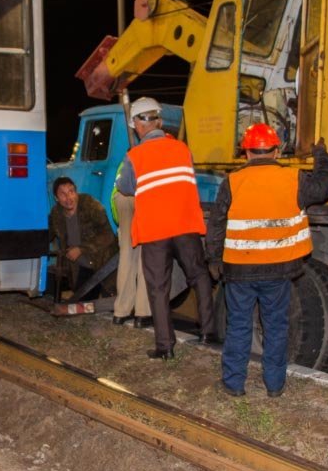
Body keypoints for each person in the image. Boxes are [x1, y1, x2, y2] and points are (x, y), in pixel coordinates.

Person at [205, 124, 328, 397]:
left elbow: (216, 223)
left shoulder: (232, 181)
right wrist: (321, 156)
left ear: (247, 153)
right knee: (276, 327)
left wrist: (214, 259)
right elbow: (323, 188)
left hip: (239, 270)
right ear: (277, 152)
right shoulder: (293, 178)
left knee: (238, 326)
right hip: (278, 269)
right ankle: (275, 386)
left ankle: (233, 384)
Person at [115, 97, 215, 359]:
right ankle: (208, 332)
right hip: (185, 225)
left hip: (155, 231)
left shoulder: (134, 156)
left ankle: (165, 346)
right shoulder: (182, 149)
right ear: (158, 121)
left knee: (158, 288)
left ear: (137, 125)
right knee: (199, 276)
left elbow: (125, 188)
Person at [48, 177, 118, 299]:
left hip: (104, 264)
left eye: (71, 191)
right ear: (56, 198)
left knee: (110, 301)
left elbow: (107, 235)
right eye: (63, 194)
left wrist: (81, 249)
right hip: (81, 268)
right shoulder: (56, 214)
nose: (69, 198)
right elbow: (47, 234)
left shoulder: (90, 205)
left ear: (76, 191)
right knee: (82, 302)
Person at [110, 159, 152, 327]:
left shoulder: (128, 157)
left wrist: (119, 223)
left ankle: (121, 312)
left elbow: (119, 186)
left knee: (126, 257)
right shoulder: (155, 154)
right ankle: (142, 313)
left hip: (121, 198)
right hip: (142, 198)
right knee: (145, 257)